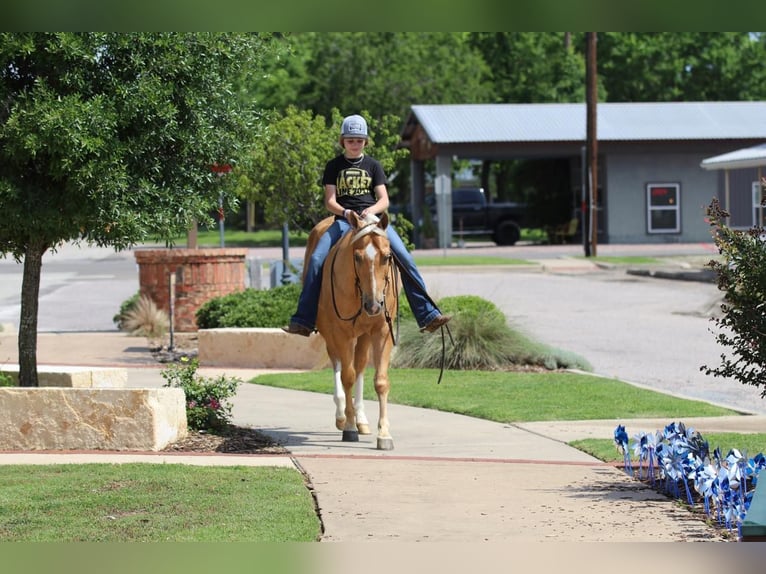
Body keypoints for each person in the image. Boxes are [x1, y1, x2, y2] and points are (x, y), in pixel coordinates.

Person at [283, 114, 450, 337]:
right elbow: (329, 201)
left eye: (359, 140)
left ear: (365, 142)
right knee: (315, 260)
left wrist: (371, 211)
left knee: (405, 258)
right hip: (345, 222)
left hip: (373, 222)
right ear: (343, 141)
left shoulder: (374, 165)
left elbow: (384, 200)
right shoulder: (334, 166)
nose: (355, 144)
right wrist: (346, 212)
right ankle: (303, 319)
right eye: (350, 140)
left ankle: (427, 314)